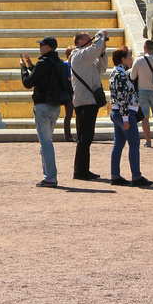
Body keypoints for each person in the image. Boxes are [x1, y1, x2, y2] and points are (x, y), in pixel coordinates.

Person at [21, 36, 68, 188]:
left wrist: (23, 69)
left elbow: (28, 83)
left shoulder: (43, 63)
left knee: (45, 143)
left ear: (47, 47)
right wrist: (31, 66)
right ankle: (48, 175)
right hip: (56, 105)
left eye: (41, 45)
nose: (40, 47)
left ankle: (50, 177)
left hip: (42, 105)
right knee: (47, 141)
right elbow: (46, 77)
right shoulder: (60, 63)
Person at [68, 30, 109, 180]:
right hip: (85, 101)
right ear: (80, 42)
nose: (91, 42)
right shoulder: (78, 56)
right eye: (88, 39)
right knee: (85, 137)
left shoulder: (86, 59)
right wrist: (100, 35)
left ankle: (83, 169)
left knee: (87, 137)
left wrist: (103, 53)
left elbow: (101, 69)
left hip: (89, 101)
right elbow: (94, 49)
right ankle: (80, 171)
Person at [109, 46, 151, 186]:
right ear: (123, 59)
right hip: (124, 113)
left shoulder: (115, 73)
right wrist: (126, 118)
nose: (130, 59)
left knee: (118, 144)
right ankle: (136, 176)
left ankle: (115, 175)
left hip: (117, 112)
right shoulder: (120, 75)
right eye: (128, 57)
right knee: (134, 144)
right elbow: (123, 99)